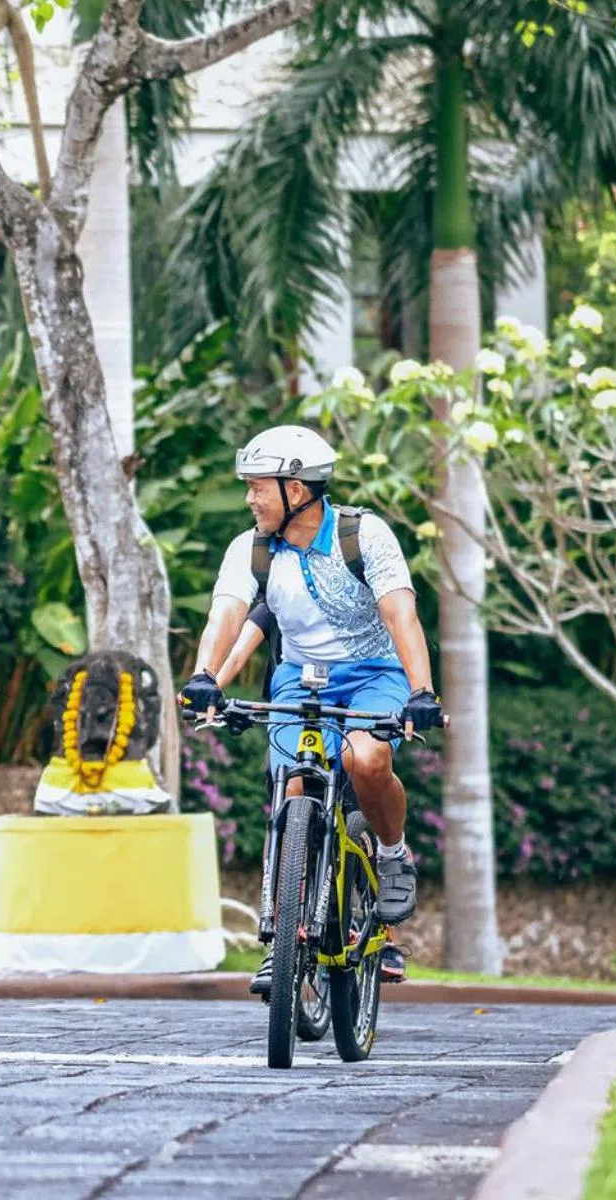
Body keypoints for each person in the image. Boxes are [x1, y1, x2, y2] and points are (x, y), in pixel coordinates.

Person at [181, 425, 443, 995]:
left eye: (258, 488)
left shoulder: (363, 535)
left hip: (375, 673)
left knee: (367, 760)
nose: (250, 499)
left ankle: (394, 856)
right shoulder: (249, 547)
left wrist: (422, 691)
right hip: (299, 681)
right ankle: (282, 936)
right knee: (294, 790)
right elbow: (226, 616)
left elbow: (401, 615)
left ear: (296, 489)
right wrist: (205, 677)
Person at [218, 604, 409, 985]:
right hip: (299, 719)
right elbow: (241, 645)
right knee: (287, 812)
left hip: (354, 717)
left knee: (361, 813)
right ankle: (281, 937)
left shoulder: (356, 598)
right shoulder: (277, 599)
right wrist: (213, 685)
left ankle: (387, 935)